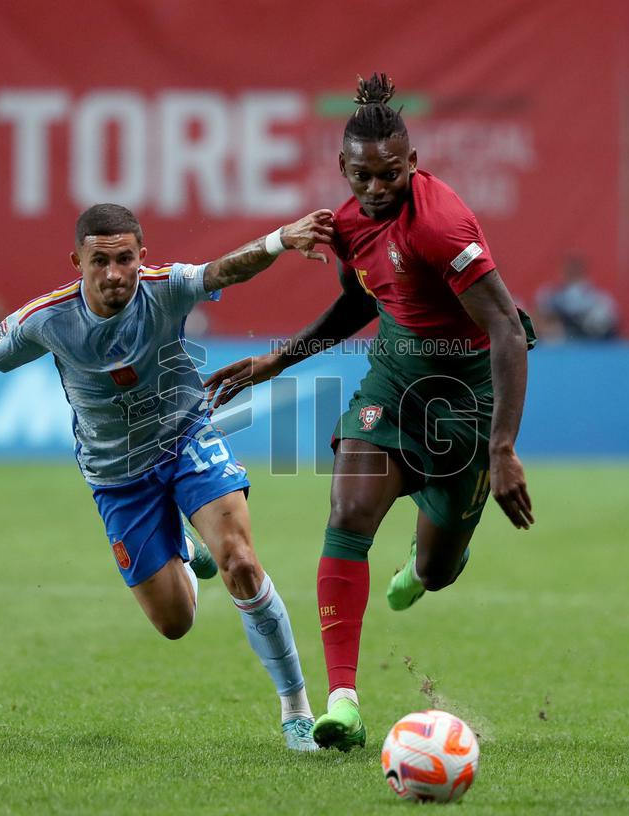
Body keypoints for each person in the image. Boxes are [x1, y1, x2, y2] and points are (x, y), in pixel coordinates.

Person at [0, 203, 335, 751]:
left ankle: (296, 709)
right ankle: (183, 554)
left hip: (186, 438)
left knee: (241, 561)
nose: (115, 273)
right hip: (117, 476)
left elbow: (223, 270)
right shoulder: (48, 318)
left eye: (125, 259)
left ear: (141, 257)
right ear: (77, 261)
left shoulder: (163, 287)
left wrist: (281, 239)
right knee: (175, 624)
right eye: (100, 261)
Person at [205, 74, 536, 751]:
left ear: (412, 165)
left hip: (464, 399)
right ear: (343, 169)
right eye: (364, 175)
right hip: (393, 381)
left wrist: (502, 449)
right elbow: (361, 300)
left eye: (390, 174)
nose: (377, 188)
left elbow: (506, 327)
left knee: (437, 569)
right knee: (348, 513)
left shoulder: (443, 225)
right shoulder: (348, 224)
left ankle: (425, 567)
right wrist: (277, 360)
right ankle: (344, 703)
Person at [534, 255, 618, 341]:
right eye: (569, 272)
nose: (572, 276)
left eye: (575, 272)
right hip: (563, 339)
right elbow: (541, 316)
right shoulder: (551, 294)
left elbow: (608, 324)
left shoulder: (601, 299)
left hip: (593, 339)